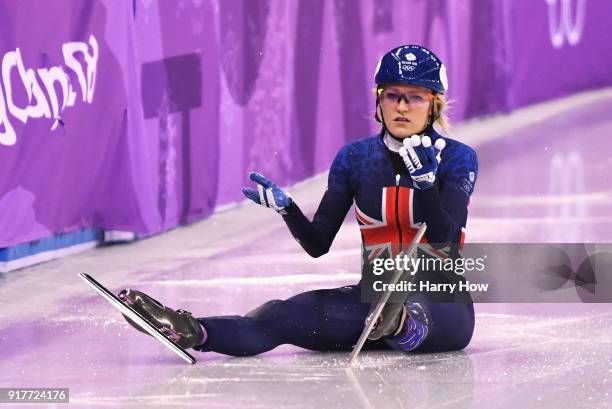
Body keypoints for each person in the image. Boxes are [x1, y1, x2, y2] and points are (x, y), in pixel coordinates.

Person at [118, 45, 478, 357]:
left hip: (441, 302)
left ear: (434, 106)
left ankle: (399, 323)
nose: (402, 106)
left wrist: (426, 184)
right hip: (371, 302)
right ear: (379, 99)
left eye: (415, 97)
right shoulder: (355, 159)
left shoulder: (458, 159)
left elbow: (445, 239)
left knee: (411, 311)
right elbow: (318, 243)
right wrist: (288, 209)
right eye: (392, 95)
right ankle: (190, 330)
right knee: (279, 316)